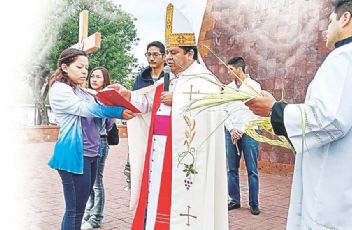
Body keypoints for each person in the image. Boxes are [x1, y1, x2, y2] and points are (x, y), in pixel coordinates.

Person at [245, 0, 352, 229]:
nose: (327, 28)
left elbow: (329, 118)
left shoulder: (347, 56)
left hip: (341, 190)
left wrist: (275, 109)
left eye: (330, 21)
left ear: (345, 18)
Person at [110, 3, 228, 229]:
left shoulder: (205, 80)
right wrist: (127, 95)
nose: (169, 58)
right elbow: (147, 103)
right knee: (157, 202)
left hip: (182, 154)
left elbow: (213, 109)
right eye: (168, 53)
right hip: (161, 151)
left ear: (190, 53)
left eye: (174, 53)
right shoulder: (170, 80)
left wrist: (180, 100)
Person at [48, 48, 135, 230]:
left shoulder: (81, 91)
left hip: (92, 154)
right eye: (79, 67)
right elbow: (87, 109)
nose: (84, 72)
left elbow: (99, 98)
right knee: (74, 210)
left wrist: (117, 92)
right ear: (65, 67)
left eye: (86, 68)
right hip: (73, 156)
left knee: (79, 209)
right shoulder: (59, 90)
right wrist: (118, 112)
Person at [127, 41, 166, 211]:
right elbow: (136, 102)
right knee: (141, 167)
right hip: (143, 130)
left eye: (155, 54)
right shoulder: (141, 78)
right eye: (148, 54)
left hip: (163, 130)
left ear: (164, 56)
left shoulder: (170, 77)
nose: (151, 58)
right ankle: (143, 208)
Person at [224, 56, 262, 215]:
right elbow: (223, 109)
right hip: (231, 131)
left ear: (239, 69)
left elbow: (256, 111)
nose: (228, 72)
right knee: (232, 168)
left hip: (250, 131)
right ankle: (234, 200)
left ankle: (253, 203)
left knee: (252, 168)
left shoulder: (254, 86)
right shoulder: (228, 88)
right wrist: (232, 129)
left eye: (231, 69)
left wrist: (242, 129)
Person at [81, 67, 114, 229]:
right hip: (86, 142)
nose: (94, 79)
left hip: (100, 141)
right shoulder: (85, 95)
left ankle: (96, 218)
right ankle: (88, 213)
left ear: (105, 80)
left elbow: (109, 123)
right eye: (92, 76)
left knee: (96, 182)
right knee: (88, 181)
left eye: (98, 77)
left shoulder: (106, 98)